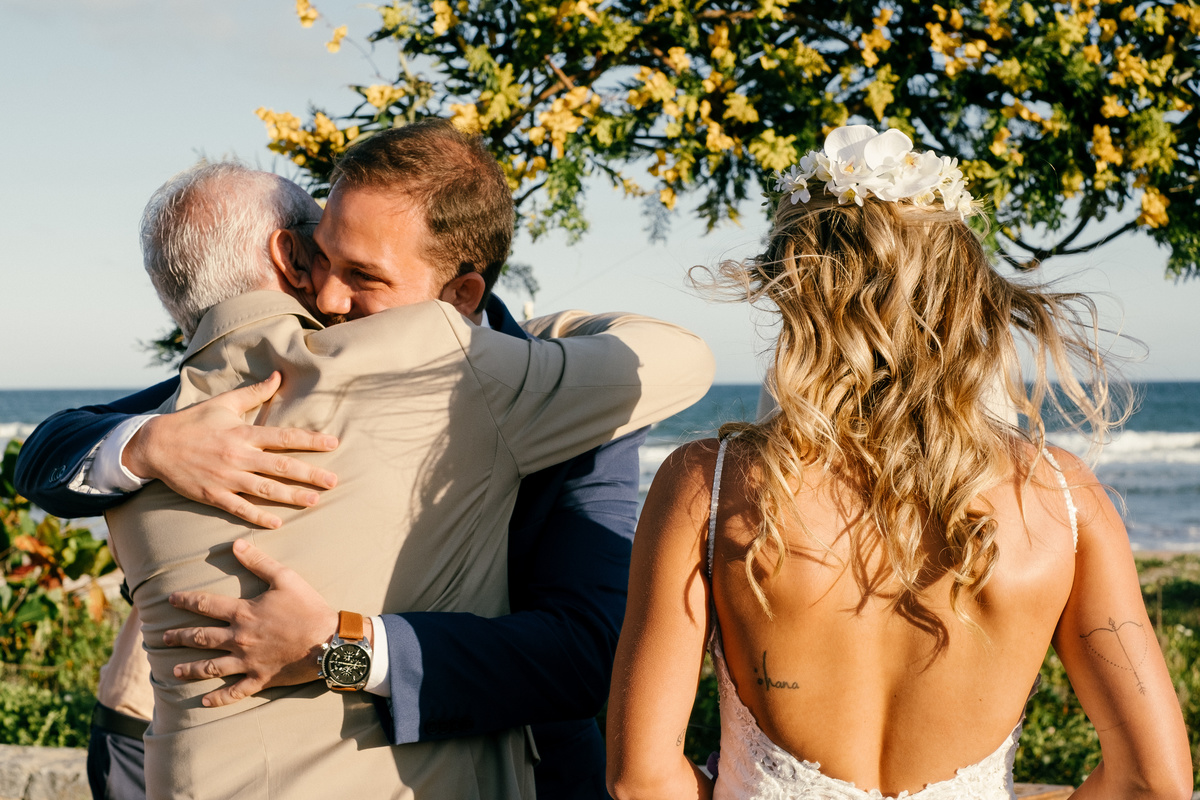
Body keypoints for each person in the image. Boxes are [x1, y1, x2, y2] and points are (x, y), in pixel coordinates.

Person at [18, 123, 714, 799]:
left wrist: (341, 646)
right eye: (322, 258)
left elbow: (581, 658)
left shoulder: (569, 404)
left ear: (462, 295)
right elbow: (61, 442)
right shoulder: (235, 398)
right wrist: (145, 446)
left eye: (363, 276)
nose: (324, 297)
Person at [606, 126, 1193, 799]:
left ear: (799, 294)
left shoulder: (706, 486)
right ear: (964, 295)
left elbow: (641, 780)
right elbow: (1155, 782)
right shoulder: (1060, 498)